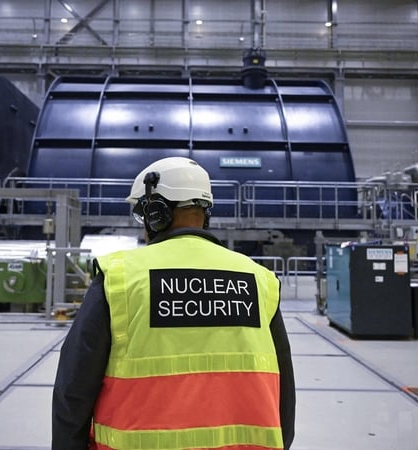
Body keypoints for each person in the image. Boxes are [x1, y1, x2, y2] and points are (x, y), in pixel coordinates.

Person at [52, 156, 295, 449]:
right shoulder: (259, 279)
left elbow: (74, 390)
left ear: (157, 213)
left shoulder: (121, 278)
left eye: (144, 215)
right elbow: (285, 398)